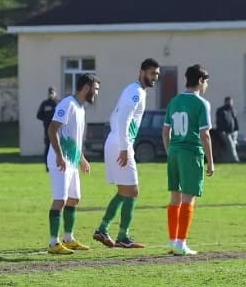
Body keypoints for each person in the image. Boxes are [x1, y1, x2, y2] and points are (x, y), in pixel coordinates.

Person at [94, 58, 160, 249]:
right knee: (132, 190)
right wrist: (123, 147)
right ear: (142, 72)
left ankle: (106, 230)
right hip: (120, 144)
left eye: (157, 74)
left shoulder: (134, 90)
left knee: (126, 191)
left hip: (116, 141)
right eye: (151, 73)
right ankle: (119, 235)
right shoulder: (136, 92)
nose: (154, 77)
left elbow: (114, 116)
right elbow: (123, 118)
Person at [163, 64, 215, 256]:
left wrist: (170, 151)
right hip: (191, 152)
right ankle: (181, 242)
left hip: (174, 151)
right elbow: (205, 135)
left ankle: (173, 240)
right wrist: (211, 160)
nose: (207, 85)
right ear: (200, 81)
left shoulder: (174, 101)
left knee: (174, 196)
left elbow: (165, 130)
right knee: (188, 196)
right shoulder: (202, 103)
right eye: (206, 81)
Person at [45, 73, 98, 254]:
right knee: (60, 200)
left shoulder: (80, 108)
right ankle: (53, 243)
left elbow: (72, 138)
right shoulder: (67, 104)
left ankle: (69, 238)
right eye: (95, 89)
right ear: (86, 88)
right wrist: (59, 155)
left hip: (72, 160)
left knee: (74, 199)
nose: (96, 93)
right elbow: (52, 129)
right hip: (61, 160)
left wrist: (81, 158)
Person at [214, 96, 240, 163]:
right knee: (230, 145)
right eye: (229, 101)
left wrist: (236, 130)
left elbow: (235, 120)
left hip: (233, 132)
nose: (231, 103)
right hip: (224, 132)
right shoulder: (221, 110)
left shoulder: (232, 110)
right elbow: (219, 121)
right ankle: (235, 159)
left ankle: (226, 159)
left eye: (231, 101)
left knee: (232, 145)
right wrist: (222, 131)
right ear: (226, 102)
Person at [36, 86, 58, 164]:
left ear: (55, 93)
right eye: (50, 93)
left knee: (57, 147)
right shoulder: (45, 104)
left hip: (57, 130)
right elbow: (38, 115)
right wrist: (46, 119)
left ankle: (57, 165)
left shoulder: (58, 103)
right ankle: (47, 165)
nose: (51, 95)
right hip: (47, 130)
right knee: (48, 147)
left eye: (52, 93)